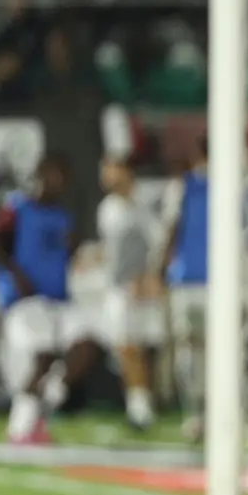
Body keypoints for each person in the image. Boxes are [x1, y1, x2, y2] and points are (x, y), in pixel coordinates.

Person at [0, 153, 97, 445]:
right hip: (27, 300)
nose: (59, 183)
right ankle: (20, 428)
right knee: (44, 356)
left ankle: (45, 401)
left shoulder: (63, 217)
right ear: (41, 175)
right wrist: (16, 276)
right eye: (54, 175)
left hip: (59, 299)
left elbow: (67, 252)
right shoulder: (18, 208)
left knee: (86, 347)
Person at [94, 156, 164, 430]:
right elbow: (113, 249)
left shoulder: (145, 205)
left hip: (143, 286)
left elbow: (157, 242)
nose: (109, 178)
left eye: (113, 172)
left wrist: (150, 275)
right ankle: (139, 407)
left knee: (147, 347)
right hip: (119, 287)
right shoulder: (108, 209)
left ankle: (145, 404)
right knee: (126, 346)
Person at [160, 137, 209, 440]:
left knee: (188, 349)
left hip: (188, 282)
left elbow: (169, 230)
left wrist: (158, 272)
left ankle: (197, 414)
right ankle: (207, 413)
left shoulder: (181, 187)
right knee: (210, 351)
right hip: (214, 283)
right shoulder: (242, 186)